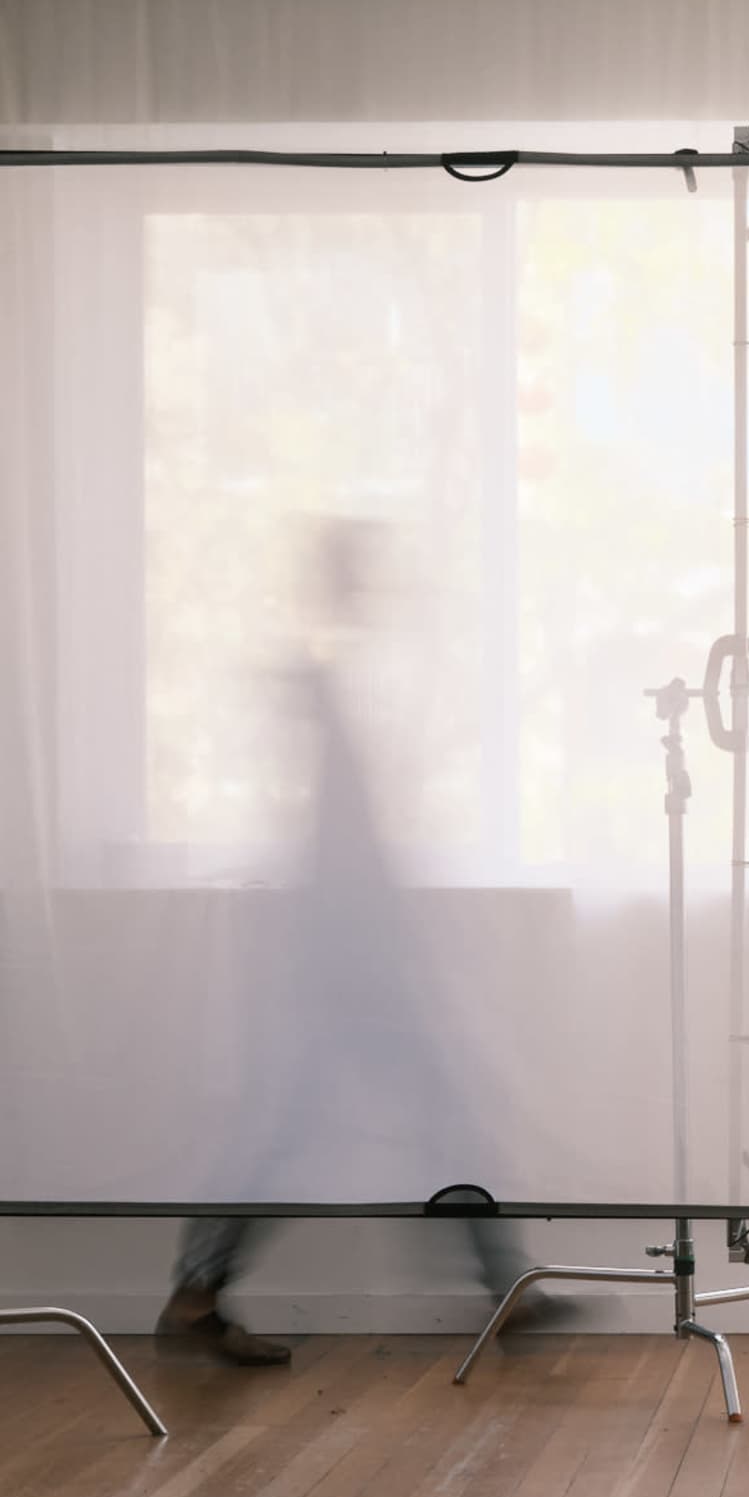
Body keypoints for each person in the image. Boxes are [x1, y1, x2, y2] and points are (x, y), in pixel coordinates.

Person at [161, 518, 522, 1364]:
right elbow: (327, 833)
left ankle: (506, 1290)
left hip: (356, 953)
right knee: (295, 1130)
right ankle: (193, 1296)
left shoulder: (343, 677)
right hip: (338, 961)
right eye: (363, 574)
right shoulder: (314, 675)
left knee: (425, 1113)